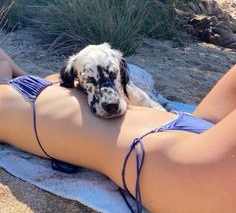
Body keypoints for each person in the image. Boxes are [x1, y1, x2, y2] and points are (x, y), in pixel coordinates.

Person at [0, 49, 236, 213]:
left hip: (190, 132)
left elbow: (9, 66)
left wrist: (15, 77)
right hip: (171, 158)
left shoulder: (18, 91)